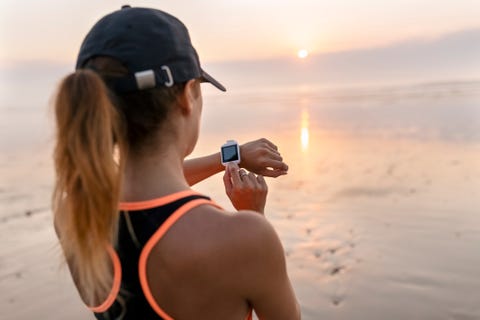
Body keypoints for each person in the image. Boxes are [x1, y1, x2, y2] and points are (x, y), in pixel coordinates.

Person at [52, 5, 300, 320]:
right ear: (188, 95)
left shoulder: (72, 212)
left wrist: (233, 155)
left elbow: (147, 185)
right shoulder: (245, 238)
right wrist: (255, 216)